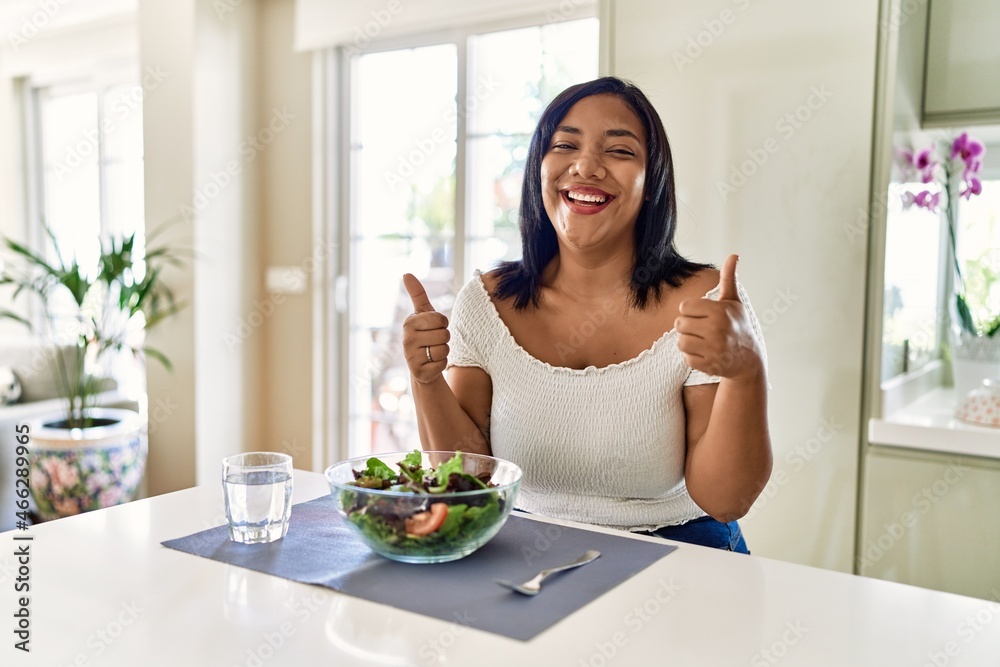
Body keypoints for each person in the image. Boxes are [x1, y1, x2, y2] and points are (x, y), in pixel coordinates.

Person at [400, 76, 771, 553]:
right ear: (540, 167)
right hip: (524, 551)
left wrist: (746, 370)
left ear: (651, 180)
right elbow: (470, 478)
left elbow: (725, 500)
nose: (586, 166)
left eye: (619, 151)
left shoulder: (707, 302)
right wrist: (426, 380)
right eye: (564, 145)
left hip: (680, 554)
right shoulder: (488, 302)